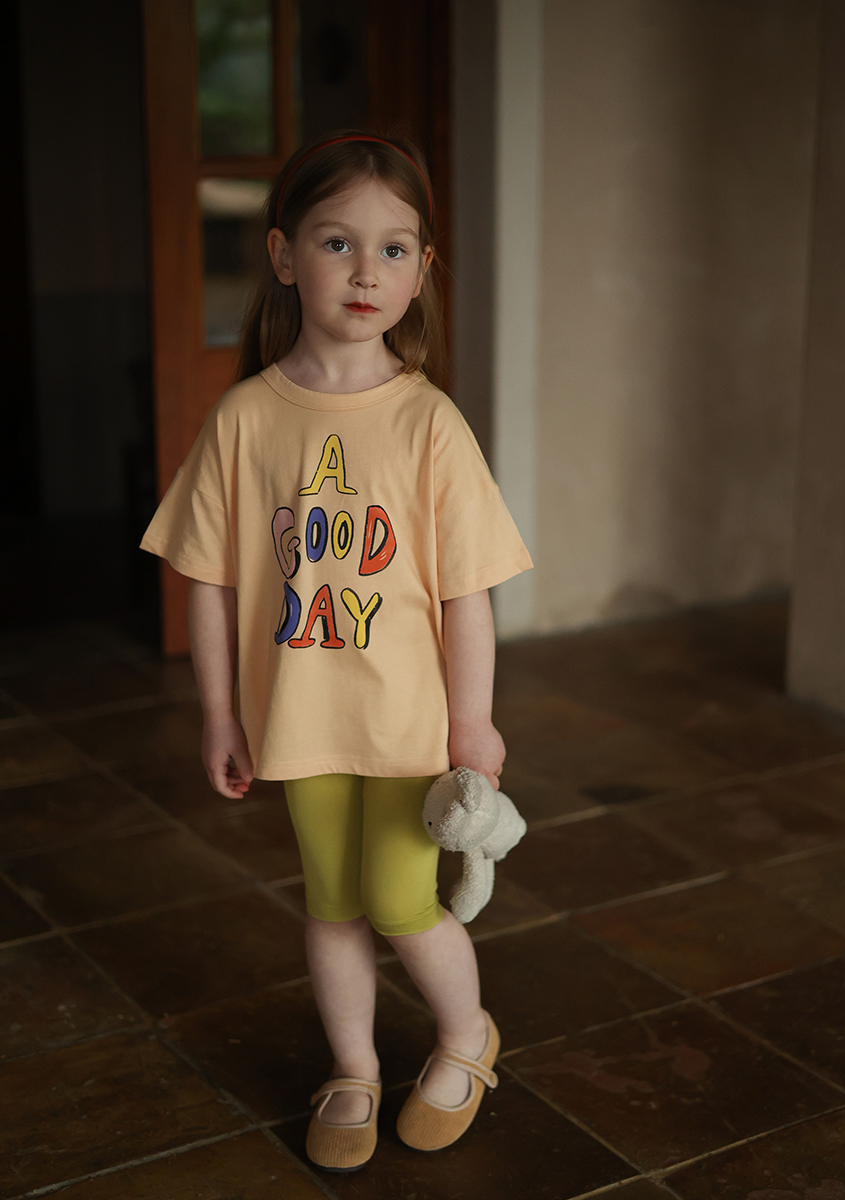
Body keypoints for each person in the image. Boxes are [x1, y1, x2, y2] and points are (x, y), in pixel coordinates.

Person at [141, 132, 532, 1173]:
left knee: (402, 901)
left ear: (422, 268)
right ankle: (353, 1065)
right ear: (283, 255)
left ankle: (466, 1034)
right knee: (331, 902)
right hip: (301, 722)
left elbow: (466, 594)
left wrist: (472, 720)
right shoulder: (244, 419)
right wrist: (220, 714)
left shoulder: (429, 424)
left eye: (394, 249)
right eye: (337, 242)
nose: (367, 272)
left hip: (408, 725)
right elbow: (210, 579)